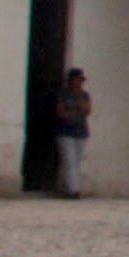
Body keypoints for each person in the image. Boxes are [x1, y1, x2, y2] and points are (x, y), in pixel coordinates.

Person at [55, 68, 93, 197]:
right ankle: (74, 190)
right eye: (78, 79)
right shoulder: (63, 94)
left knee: (75, 161)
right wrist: (75, 112)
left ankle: (69, 188)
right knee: (69, 160)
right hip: (65, 132)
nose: (80, 83)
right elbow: (61, 113)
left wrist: (77, 101)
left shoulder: (84, 95)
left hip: (81, 132)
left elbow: (86, 111)